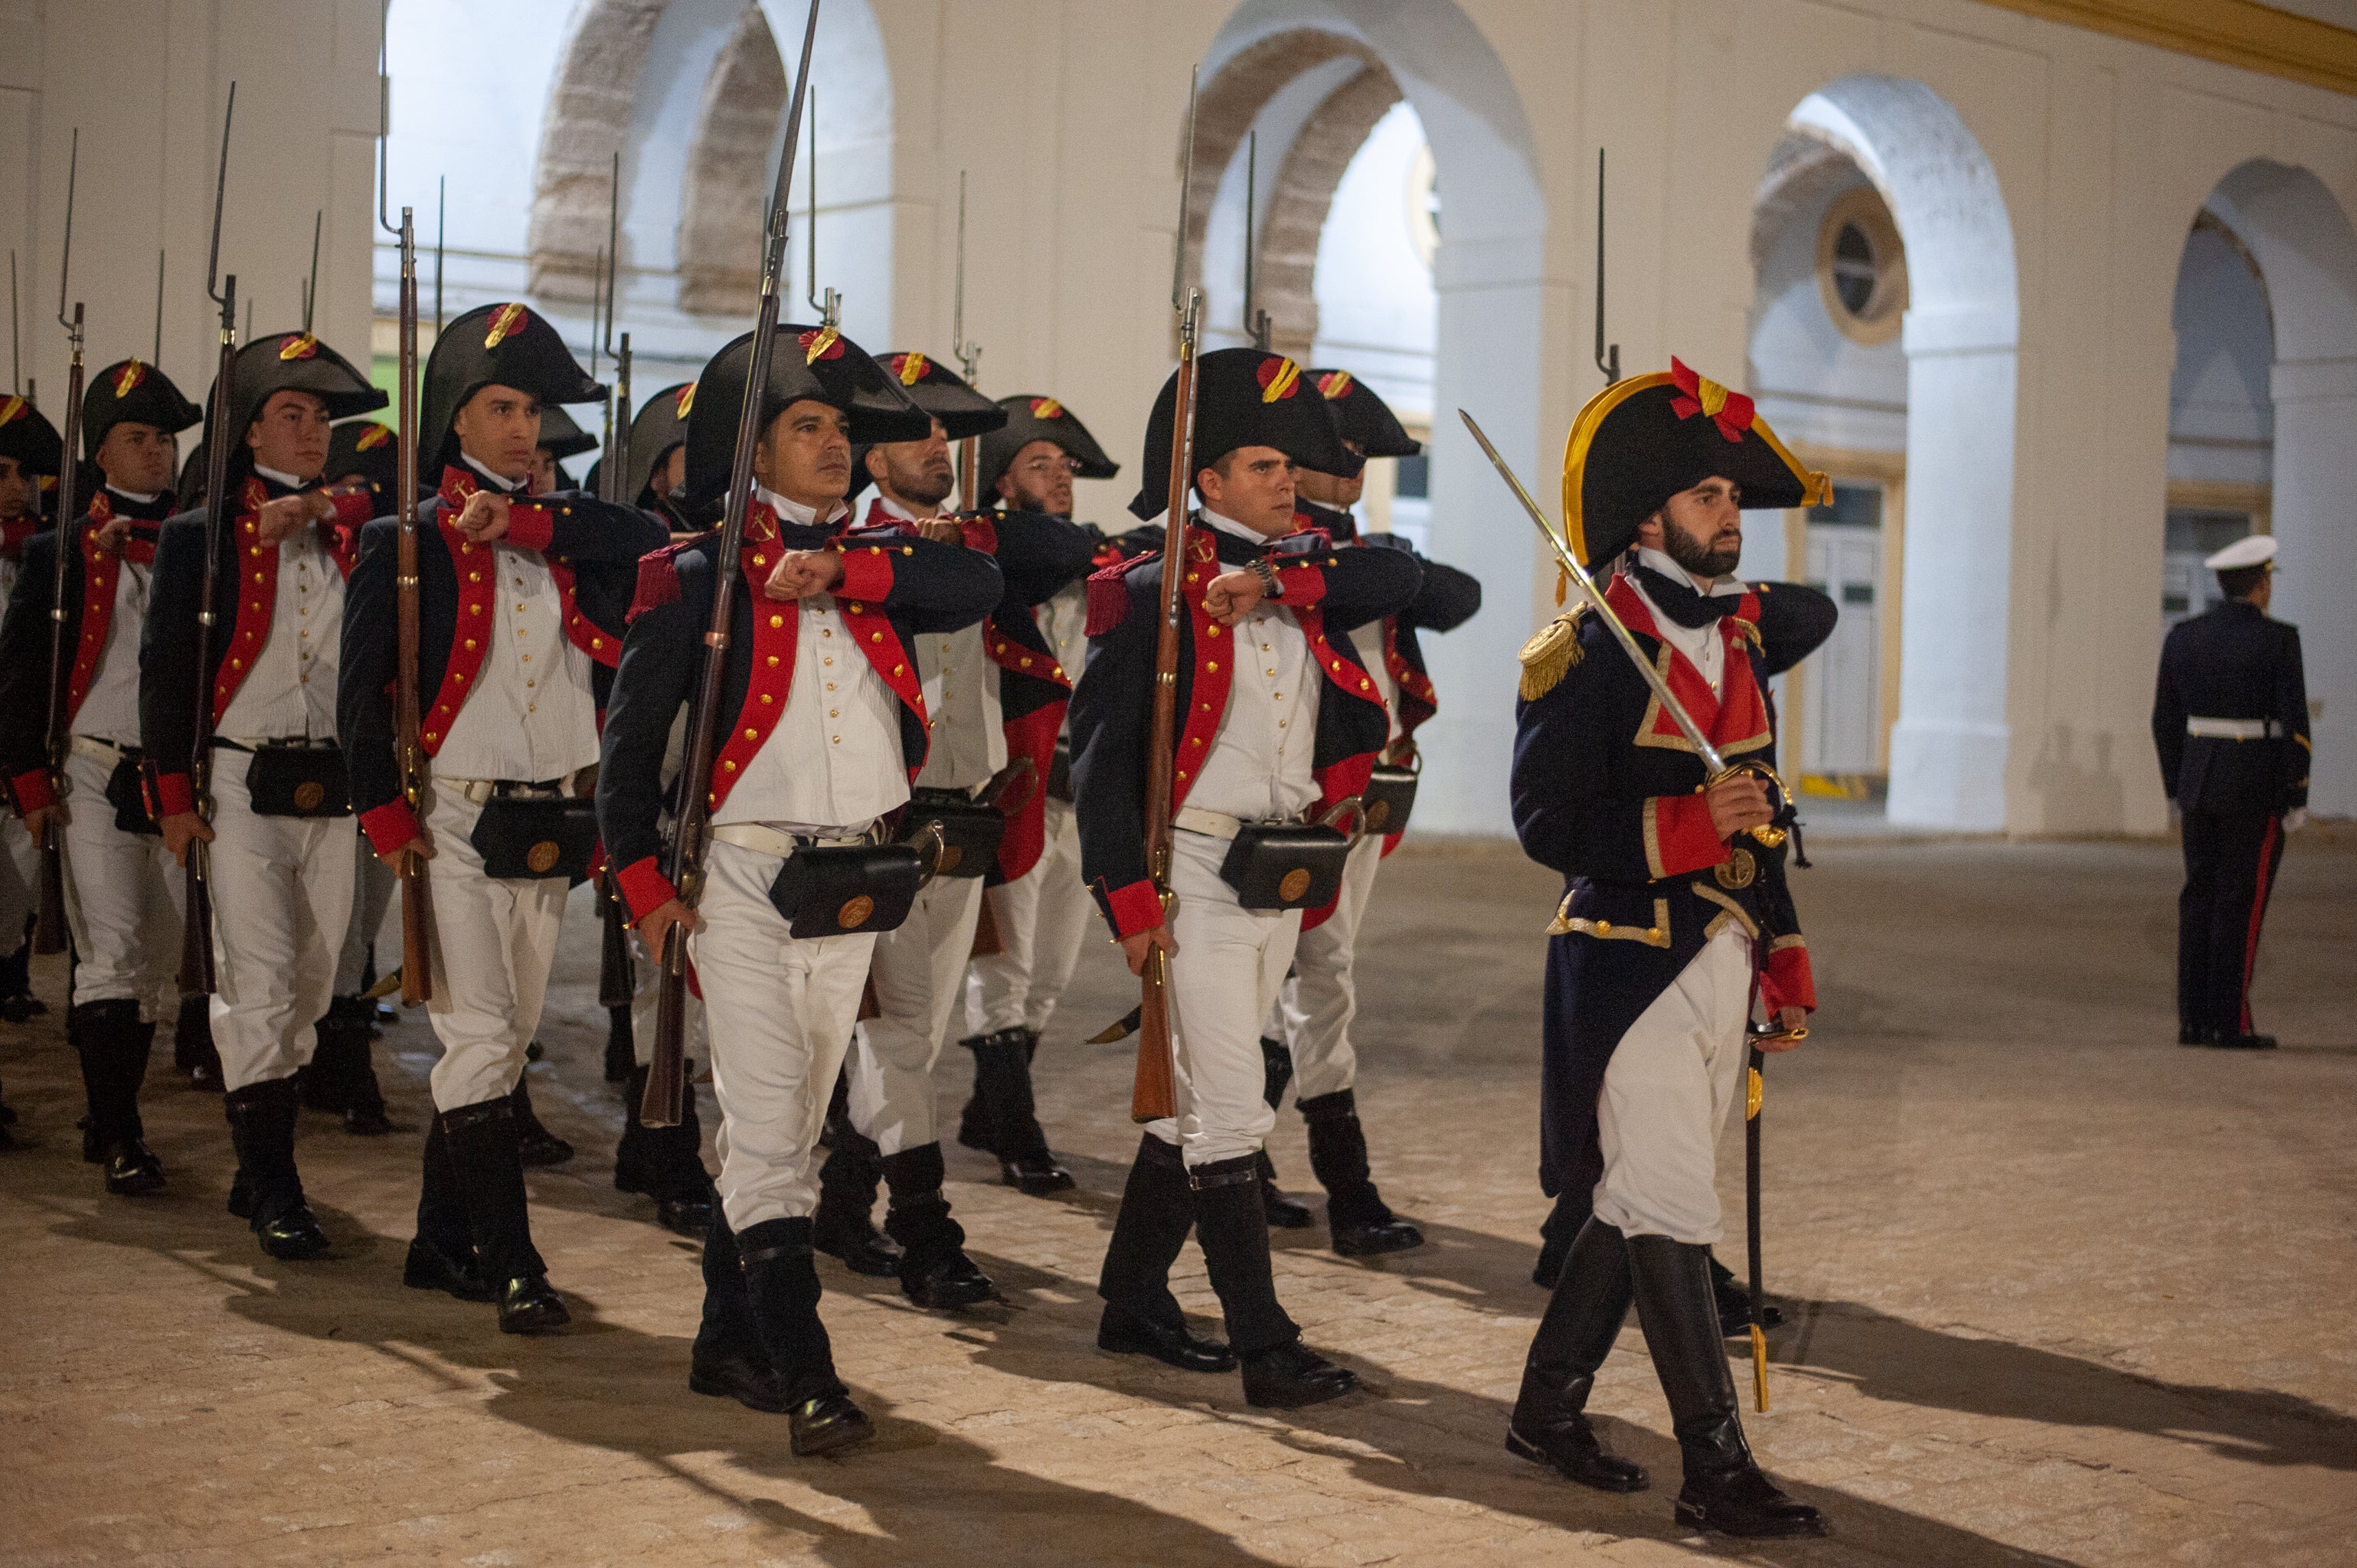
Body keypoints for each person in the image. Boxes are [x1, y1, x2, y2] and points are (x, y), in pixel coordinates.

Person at [598, 321, 999, 1450]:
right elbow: (628, 758)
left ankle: (727, 1342)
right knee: (772, 1127)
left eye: (838, 428)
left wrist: (843, 568)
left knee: (789, 1131)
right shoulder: (689, 577)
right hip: (736, 878)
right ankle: (809, 1371)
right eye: (805, 427)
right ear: (751, 451)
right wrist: (643, 891)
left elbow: (975, 576)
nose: (831, 445)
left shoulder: (889, 565)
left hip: (855, 883)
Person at [1506, 359, 1829, 1537]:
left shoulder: (1735, 642)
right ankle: (1715, 1468)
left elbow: (1763, 816)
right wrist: (1690, 826)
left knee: (1636, 1194)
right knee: (1670, 1202)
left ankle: (1544, 1411)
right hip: (1626, 958)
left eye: (1732, 500)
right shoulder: (1584, 646)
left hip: (1722, 953)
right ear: (1647, 518)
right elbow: (1544, 824)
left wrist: (1779, 947)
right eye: (1706, 498)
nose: (1731, 518)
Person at [1072, 346, 1420, 1408]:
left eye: (1289, 466)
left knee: (1190, 1111)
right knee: (1229, 1108)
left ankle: (1130, 1300)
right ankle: (1266, 1348)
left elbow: (1405, 573)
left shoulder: (1304, 581)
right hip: (1192, 875)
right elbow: (1094, 763)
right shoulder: (1142, 593)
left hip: (1282, 867)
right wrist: (1127, 903)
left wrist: (1267, 579)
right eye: (1262, 467)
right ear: (1206, 482)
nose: (1287, 483)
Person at [341, 302, 663, 1332]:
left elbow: (651, 539)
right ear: (456, 420)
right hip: (449, 823)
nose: (523, 428)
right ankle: (513, 1259)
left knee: (506, 1040)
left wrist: (525, 523)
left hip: (549, 826)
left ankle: (439, 1245)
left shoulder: (571, 534)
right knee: (480, 1037)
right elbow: (360, 701)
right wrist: (388, 823)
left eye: (531, 409)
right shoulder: (402, 541)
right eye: (499, 407)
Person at [811, 351, 1092, 1299]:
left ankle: (843, 1207)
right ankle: (927, 1234)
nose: (940, 444)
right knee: (899, 1033)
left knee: (916, 1038)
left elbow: (1064, 552)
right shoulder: (838, 545)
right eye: (916, 429)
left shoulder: (981, 543)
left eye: (946, 431)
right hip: (880, 821)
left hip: (964, 819)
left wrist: (961, 539)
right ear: (869, 457)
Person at [142, 329, 386, 1259]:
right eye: (293, 414)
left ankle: (258, 1155)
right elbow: (166, 669)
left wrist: (326, 509)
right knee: (262, 979)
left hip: (334, 782)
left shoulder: (356, 527)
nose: (314, 429)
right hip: (241, 779)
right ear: (248, 433)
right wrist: (172, 790)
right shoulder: (198, 534)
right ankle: (278, 1182)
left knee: (318, 982)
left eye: (322, 416)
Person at [1256, 368, 1481, 1256]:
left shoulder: (1359, 557)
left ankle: (1319, 1177)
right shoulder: (1281, 556)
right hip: (1291, 796)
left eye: (1357, 452)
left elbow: (1453, 597)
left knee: (1320, 977)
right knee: (1295, 981)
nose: (1352, 464)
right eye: (1333, 449)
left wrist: (1378, 558)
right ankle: (1322, 1180)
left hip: (1359, 798)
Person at [0, 360, 203, 1192]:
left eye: (162, 437)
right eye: (135, 438)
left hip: (175, 781)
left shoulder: (200, 546)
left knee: (155, 958)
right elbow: (17, 681)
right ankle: (120, 1130)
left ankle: (107, 1108)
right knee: (111, 948)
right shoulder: (58, 552)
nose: (154, 452)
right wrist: (32, 787)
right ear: (100, 453)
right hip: (88, 771)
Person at [953, 393, 1121, 1193]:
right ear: (999, 482)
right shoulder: (997, 559)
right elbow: (1046, 545)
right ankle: (1018, 1135)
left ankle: (988, 1110)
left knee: (1051, 972)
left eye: (1066, 467)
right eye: (1039, 465)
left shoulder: (1091, 563)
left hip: (1080, 797)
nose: (1060, 478)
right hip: (1016, 794)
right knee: (1005, 972)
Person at [2153, 534, 2310, 1050]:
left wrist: (2178, 785)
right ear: (2262, 585)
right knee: (2239, 902)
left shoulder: (2183, 636)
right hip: (2254, 784)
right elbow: (2295, 725)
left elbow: (2163, 720)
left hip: (2199, 781)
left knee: (2198, 897)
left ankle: (2193, 1021)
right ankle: (2231, 1022)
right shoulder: (2279, 641)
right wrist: (2296, 792)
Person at [0, 393, 64, 1029]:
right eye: (1, 474)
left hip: (18, 776)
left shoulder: (39, 564)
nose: (19, 489)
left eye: (27, 474)